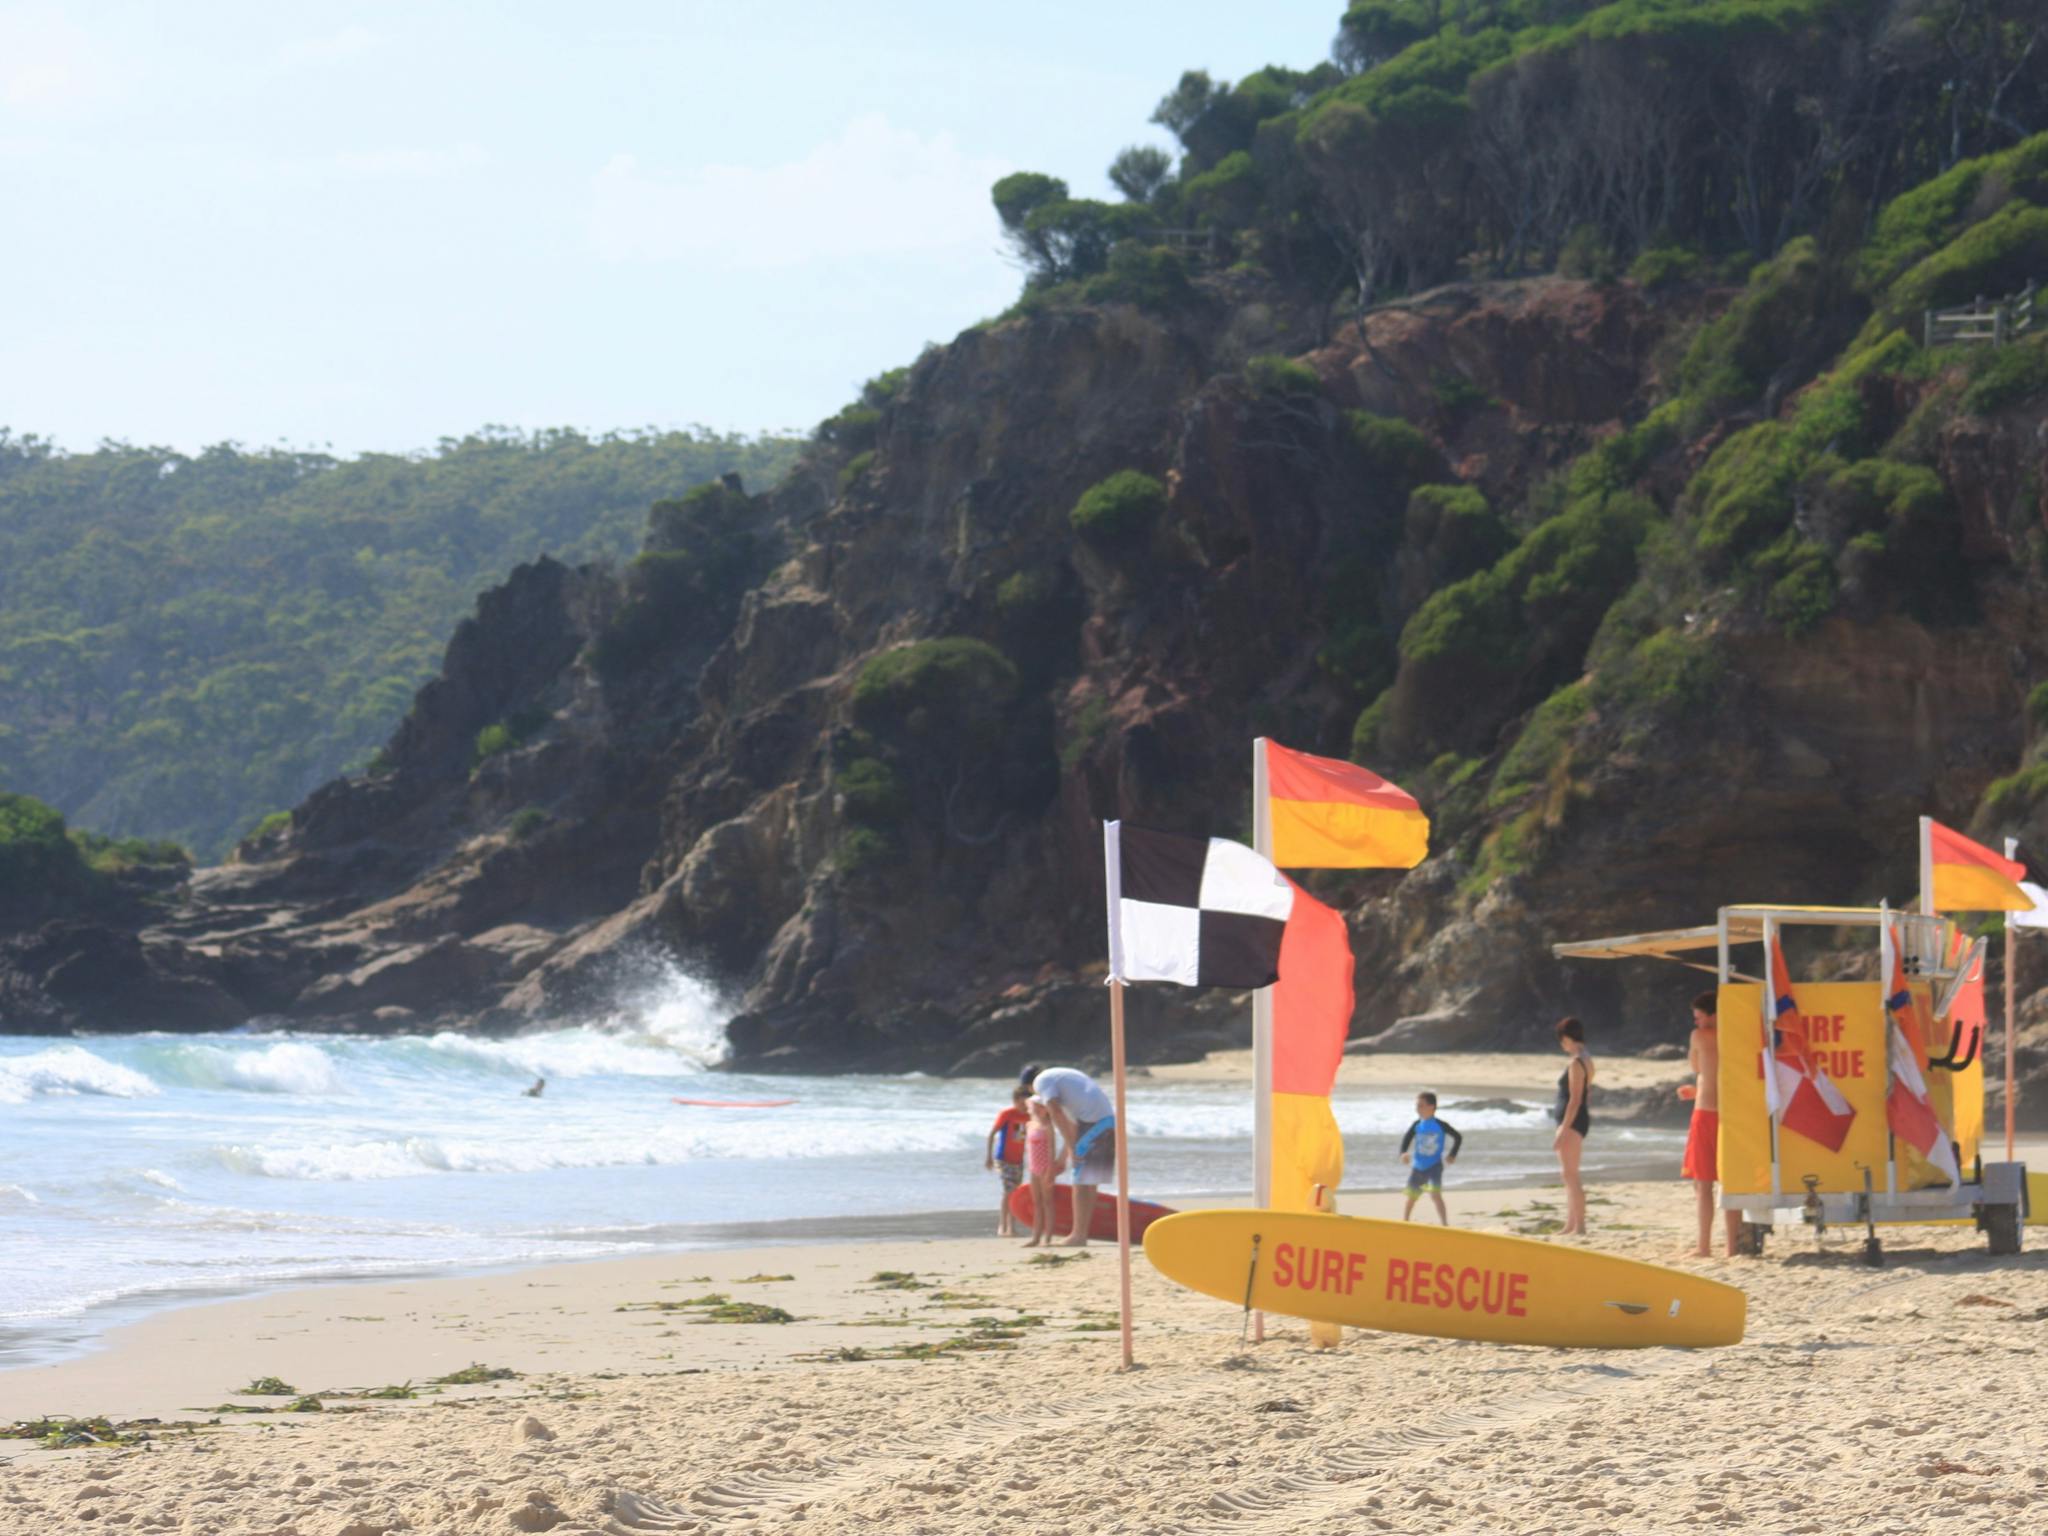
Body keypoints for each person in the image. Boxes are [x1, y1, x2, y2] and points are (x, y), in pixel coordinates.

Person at [1019, 1063, 1115, 1246]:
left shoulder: (1042, 1081)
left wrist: (1072, 1146)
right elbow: (1071, 1125)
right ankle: (1082, 1234)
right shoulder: (1064, 1082)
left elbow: (1055, 1112)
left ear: (1029, 1085)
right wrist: (1063, 1158)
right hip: (1106, 1118)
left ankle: (1078, 1235)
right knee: (1090, 1179)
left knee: (1079, 1180)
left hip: (1092, 1120)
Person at [1680, 990, 1739, 1257]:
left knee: (1703, 1184)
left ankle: (1704, 1246)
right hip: (1731, 1111)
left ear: (1714, 1014)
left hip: (1705, 1111)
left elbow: (1697, 1067)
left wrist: (1695, 1089)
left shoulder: (1699, 1037)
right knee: (1730, 1182)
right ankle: (1731, 1247)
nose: (1696, 1023)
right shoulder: (1735, 1035)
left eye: (1699, 1017)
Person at [1551, 1017, 1594, 1236]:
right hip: (1578, 1119)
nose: (1562, 1045)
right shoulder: (1587, 1059)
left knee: (1570, 1174)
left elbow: (1575, 1099)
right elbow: (1587, 1094)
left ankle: (1580, 1225)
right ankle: (1571, 1223)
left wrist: (1564, 1129)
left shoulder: (1576, 1062)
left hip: (1573, 1121)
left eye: (1562, 1041)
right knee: (1568, 1174)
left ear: (1567, 1038)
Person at [1398, 1091, 1462, 1225]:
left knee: (1435, 1195)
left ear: (1431, 1107)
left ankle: (1444, 1224)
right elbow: (1407, 1138)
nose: (1417, 1108)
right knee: (1412, 1196)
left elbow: (1458, 1137)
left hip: (1434, 1166)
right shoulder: (1417, 1124)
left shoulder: (1440, 1124)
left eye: (1421, 1105)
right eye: (1417, 1105)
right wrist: (1403, 1153)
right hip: (1418, 1167)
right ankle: (1405, 1221)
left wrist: (1452, 1154)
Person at [985, 1084, 1032, 1237]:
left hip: (1018, 1159)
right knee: (1009, 1191)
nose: (1025, 1106)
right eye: (1022, 1103)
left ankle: (1009, 1226)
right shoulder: (1007, 1114)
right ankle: (1005, 1226)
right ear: (1015, 1101)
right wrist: (989, 1157)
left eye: (1028, 1103)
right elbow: (992, 1134)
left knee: (1014, 1191)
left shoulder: (1029, 1116)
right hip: (1003, 1158)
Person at [1020, 1096, 1062, 1247]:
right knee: (1036, 1202)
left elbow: (1052, 1149)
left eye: (1041, 1106)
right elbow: (1026, 1148)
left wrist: (1050, 1171)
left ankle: (1048, 1238)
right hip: (1033, 1167)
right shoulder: (1030, 1124)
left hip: (1046, 1167)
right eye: (1035, 1106)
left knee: (1047, 1202)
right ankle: (1035, 1237)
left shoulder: (1048, 1126)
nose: (1038, 1109)